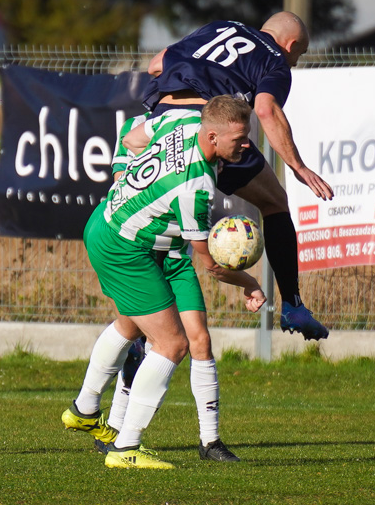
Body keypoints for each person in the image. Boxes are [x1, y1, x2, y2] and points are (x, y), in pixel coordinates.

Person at [62, 96, 267, 469]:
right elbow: (211, 263)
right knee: (172, 343)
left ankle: (85, 409)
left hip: (123, 231)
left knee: (130, 324)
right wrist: (250, 282)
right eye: (239, 137)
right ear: (212, 135)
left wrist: (138, 182)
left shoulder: (181, 120)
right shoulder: (195, 186)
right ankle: (126, 449)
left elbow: (132, 140)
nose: (246, 143)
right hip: (127, 247)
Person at [119, 11, 333, 340]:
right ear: (290, 45)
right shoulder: (275, 59)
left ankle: (136, 335)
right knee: (275, 202)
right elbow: (266, 109)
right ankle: (292, 304)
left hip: (162, 125)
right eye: (298, 55)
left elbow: (155, 64)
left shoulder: (221, 26)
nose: (294, 63)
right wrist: (298, 166)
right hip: (208, 127)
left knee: (161, 229)